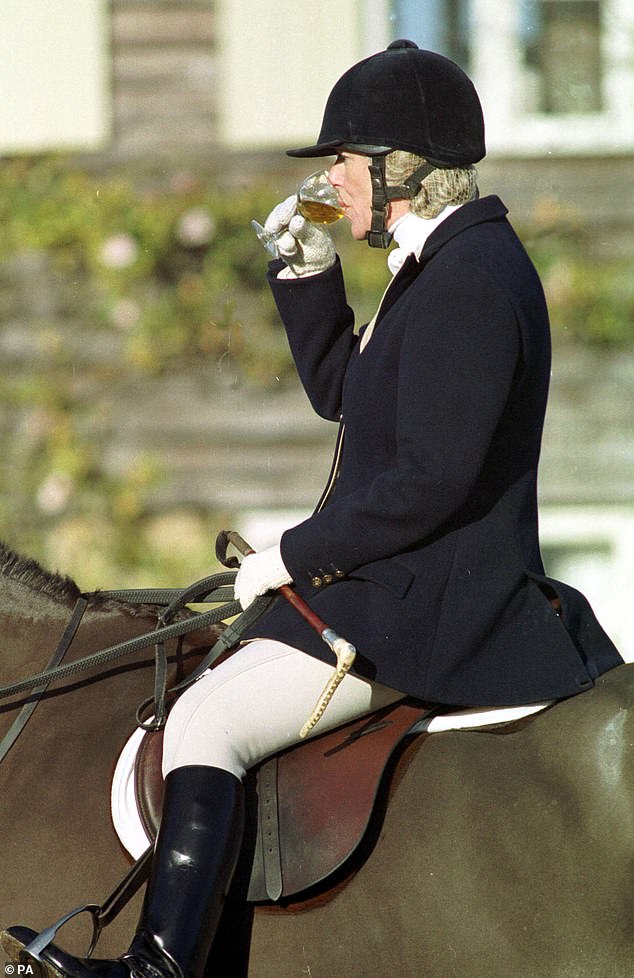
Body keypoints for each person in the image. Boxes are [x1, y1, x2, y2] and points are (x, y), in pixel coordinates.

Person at [2, 39, 622, 978]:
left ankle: (158, 966)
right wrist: (305, 273)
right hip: (401, 580)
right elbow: (345, 391)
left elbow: (430, 483)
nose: (329, 178)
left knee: (206, 724)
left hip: (430, 604)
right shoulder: (436, 269)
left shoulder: (469, 283)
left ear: (397, 169)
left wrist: (293, 556)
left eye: (343, 162)